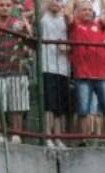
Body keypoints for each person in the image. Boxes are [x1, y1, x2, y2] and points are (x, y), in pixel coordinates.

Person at [67, 0, 105, 141]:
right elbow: (67, 13)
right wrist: (74, 1)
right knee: (83, 110)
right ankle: (83, 139)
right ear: (78, 12)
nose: (87, 12)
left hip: (101, 75)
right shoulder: (74, 25)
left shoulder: (98, 25)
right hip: (83, 75)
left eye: (89, 10)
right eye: (84, 10)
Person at [0, 0, 31, 142]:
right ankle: (0, 133)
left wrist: (25, 29)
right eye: (1, 5)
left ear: (12, 7)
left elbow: (31, 41)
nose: (5, 8)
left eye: (7, 5)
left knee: (17, 105)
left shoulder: (18, 23)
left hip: (17, 68)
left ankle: (16, 134)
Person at [39, 0, 70, 147]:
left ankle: (58, 136)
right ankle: (47, 135)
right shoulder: (43, 16)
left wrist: (67, 47)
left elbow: (73, 39)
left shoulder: (65, 19)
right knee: (49, 105)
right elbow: (37, 14)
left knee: (59, 106)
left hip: (63, 67)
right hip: (47, 65)